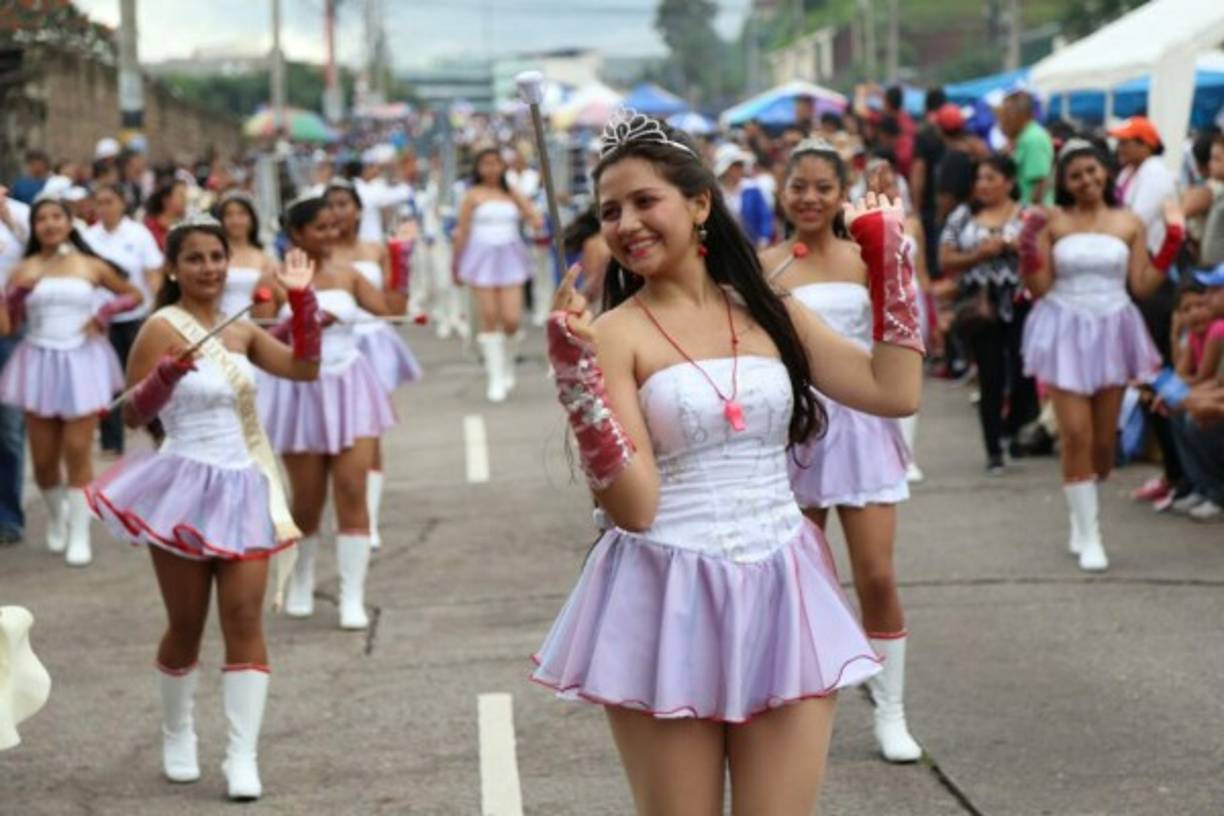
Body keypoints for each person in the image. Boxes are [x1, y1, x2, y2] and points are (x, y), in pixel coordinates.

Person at [532, 115, 923, 813]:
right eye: (610, 211)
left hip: (785, 587)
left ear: (700, 203)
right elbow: (634, 507)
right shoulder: (613, 335)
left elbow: (893, 391)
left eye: (645, 201)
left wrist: (892, 267)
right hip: (666, 593)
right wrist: (579, 389)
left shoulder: (774, 311)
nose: (626, 224)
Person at [87, 216, 320, 800]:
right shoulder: (159, 328)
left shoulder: (241, 330)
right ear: (174, 268)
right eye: (195, 258)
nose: (209, 268)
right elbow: (135, 416)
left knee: (244, 621)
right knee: (186, 627)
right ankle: (177, 731)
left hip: (244, 486)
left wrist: (305, 306)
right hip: (184, 486)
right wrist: (163, 378)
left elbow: (303, 369)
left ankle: (242, 756)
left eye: (216, 256)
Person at [761, 140, 923, 763]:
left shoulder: (866, 259)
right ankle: (799, 707)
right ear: (783, 190)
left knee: (876, 575)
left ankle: (892, 711)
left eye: (822, 187)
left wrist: (891, 245)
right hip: (793, 431)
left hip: (861, 429)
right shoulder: (765, 265)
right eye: (798, 185)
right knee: (800, 580)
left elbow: (902, 337)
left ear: (841, 194)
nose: (808, 197)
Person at [1018, 139, 1183, 571]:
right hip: (1065, 326)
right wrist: (1027, 246)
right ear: (1065, 184)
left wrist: (1173, 242)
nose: (1087, 180)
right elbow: (1039, 289)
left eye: (1092, 171)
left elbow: (1143, 285)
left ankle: (1082, 510)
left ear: (1105, 171)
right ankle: (1090, 533)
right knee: (1074, 434)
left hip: (1113, 326)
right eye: (1075, 176)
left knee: (1103, 444)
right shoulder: (1054, 221)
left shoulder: (1129, 221)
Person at [255, 194, 402, 630]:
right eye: (318, 227)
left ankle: (351, 596)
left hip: (350, 385)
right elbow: (261, 340)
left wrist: (401, 260)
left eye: (332, 226)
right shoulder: (274, 279)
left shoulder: (350, 276)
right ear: (296, 234)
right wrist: (303, 322)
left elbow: (395, 312)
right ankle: (301, 579)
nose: (329, 233)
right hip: (301, 390)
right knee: (307, 500)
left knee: (353, 488)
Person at [0, 197, 142, 566]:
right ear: (34, 227)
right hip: (38, 361)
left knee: (77, 450)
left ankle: (80, 533)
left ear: (68, 222)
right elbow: (8, 326)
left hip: (82, 359)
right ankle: (58, 516)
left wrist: (105, 313)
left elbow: (134, 294)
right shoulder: (23, 269)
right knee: (44, 459)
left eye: (56, 217)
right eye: (41, 218)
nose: (49, 224)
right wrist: (15, 298)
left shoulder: (90, 264)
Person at [326, 178, 422, 550]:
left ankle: (369, 516)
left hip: (373, 343)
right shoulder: (320, 254)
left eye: (344, 204)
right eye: (331, 205)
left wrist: (402, 257)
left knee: (370, 431)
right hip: (332, 348)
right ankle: (345, 505)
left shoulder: (376, 248)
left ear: (358, 210)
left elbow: (394, 302)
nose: (338, 212)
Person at [940, 156, 1038, 472]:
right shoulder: (963, 216)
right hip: (981, 303)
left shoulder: (1027, 215)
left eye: (991, 178)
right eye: (980, 178)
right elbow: (946, 258)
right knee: (990, 374)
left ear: (1009, 182)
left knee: (1025, 372)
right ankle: (993, 447)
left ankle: (1012, 427)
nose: (983, 184)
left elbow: (1043, 253)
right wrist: (978, 254)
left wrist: (1014, 247)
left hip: (1021, 300)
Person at [452, 147, 541, 403]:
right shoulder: (471, 195)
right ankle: (495, 376)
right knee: (489, 317)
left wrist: (534, 221)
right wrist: (456, 264)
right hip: (480, 258)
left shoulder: (511, 192)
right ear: (478, 168)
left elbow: (533, 216)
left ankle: (509, 363)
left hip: (510, 256)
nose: (491, 168)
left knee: (512, 319)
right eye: (486, 163)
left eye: (496, 163)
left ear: (503, 166)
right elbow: (462, 232)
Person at [83, 182, 165, 456]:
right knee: (107, 383)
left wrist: (156, 305)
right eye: (100, 202)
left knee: (142, 379)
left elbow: (153, 272)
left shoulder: (138, 234)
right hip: (100, 321)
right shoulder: (89, 237)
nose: (104, 208)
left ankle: (157, 430)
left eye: (110, 201)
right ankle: (111, 442)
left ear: (121, 204)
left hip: (134, 318)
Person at [0, 186, 30, 545]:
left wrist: (8, 220)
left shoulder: (20, 213)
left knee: (8, 429)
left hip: (8, 336)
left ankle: (8, 515)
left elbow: (45, 256)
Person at [214, 189, 279, 319]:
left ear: (252, 219)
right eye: (229, 215)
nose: (236, 220)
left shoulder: (265, 256)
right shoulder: (214, 255)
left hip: (257, 323)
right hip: (220, 322)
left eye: (241, 214)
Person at [713, 143, 774, 248]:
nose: (739, 169)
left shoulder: (752, 188)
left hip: (753, 244)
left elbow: (765, 216)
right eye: (735, 166)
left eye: (740, 165)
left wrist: (763, 238)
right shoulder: (717, 192)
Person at [998, 91, 1053, 206]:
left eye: (1006, 114)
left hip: (1034, 213)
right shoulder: (1023, 137)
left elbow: (1041, 182)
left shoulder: (1033, 138)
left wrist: (1030, 213)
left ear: (1021, 115)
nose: (1003, 119)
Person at [144, 180, 189, 251]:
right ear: (166, 200)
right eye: (181, 195)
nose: (185, 200)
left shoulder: (186, 227)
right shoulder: (149, 229)